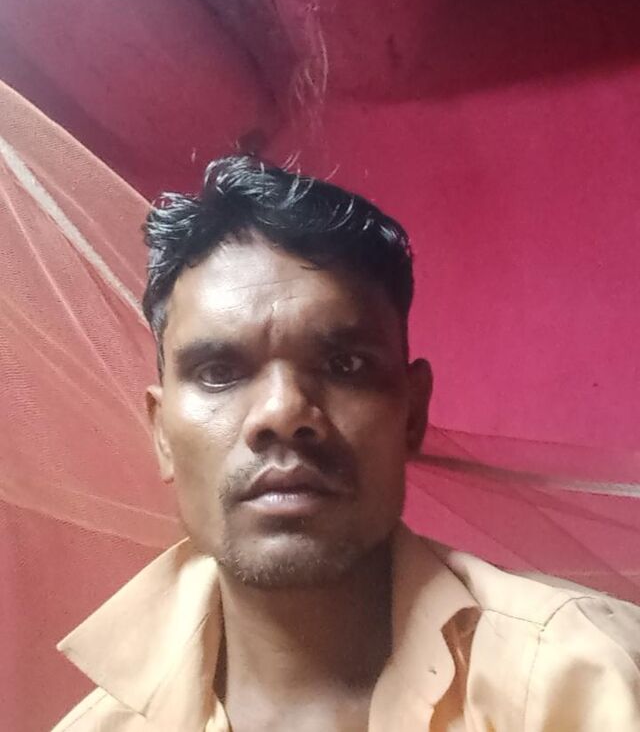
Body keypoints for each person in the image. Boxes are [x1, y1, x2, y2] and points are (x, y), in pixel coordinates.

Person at [53, 156, 640, 731]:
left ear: (412, 413)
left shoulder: (583, 681)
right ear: (161, 433)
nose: (283, 413)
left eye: (345, 365)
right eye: (219, 372)